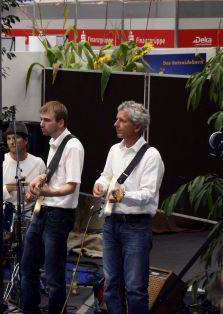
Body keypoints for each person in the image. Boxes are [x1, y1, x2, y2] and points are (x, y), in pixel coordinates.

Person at [93, 100, 164, 314]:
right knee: (112, 284)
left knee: (135, 288)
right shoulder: (115, 150)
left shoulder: (152, 156)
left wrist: (121, 195)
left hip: (136, 226)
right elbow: (106, 175)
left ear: (136, 127)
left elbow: (148, 194)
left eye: (121, 121)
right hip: (111, 223)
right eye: (117, 119)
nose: (115, 124)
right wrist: (100, 184)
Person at [20, 100, 84, 314]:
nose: (41, 124)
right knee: (28, 266)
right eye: (41, 119)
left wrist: (48, 192)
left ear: (60, 122)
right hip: (43, 211)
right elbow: (56, 176)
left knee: (53, 274)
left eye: (46, 120)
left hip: (59, 215)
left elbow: (71, 185)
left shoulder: (73, 146)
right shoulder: (54, 143)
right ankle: (29, 310)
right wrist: (39, 180)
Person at [0, 121, 46, 217]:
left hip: (29, 214)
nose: (11, 142)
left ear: (26, 140)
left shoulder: (38, 163)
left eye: (15, 138)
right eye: (9, 139)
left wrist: (34, 197)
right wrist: (10, 188)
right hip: (3, 214)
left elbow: (44, 196)